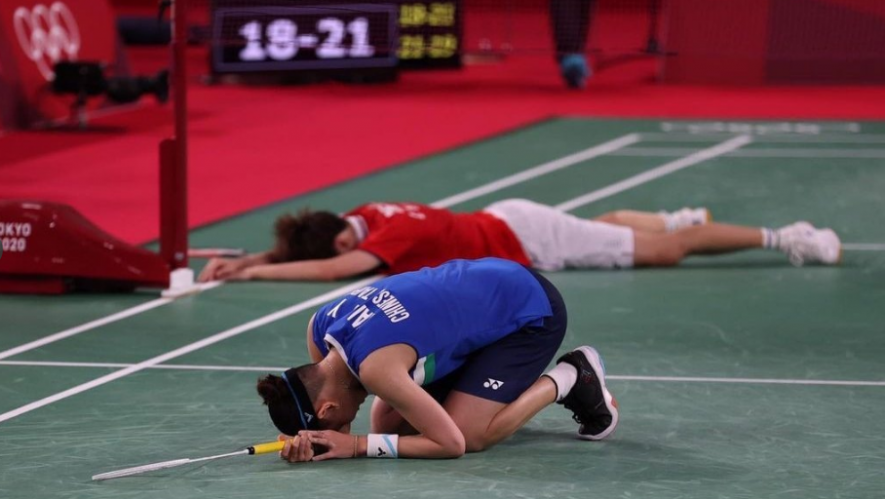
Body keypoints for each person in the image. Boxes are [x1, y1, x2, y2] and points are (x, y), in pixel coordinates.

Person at [256, 258, 618, 461]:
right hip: (487, 284)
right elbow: (346, 428)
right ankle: (476, 391)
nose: (343, 425)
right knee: (389, 427)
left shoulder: (377, 368)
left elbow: (451, 446)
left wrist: (353, 446)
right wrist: (314, 441)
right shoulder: (320, 329)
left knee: (469, 433)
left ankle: (572, 375)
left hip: (528, 311)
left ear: (328, 406)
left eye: (331, 423)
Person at [198, 199, 841, 283]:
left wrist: (256, 274)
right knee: (617, 224)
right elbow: (326, 250)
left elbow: (344, 270)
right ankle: (659, 217)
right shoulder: (364, 212)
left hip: (527, 239)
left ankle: (787, 233)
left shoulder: (390, 233)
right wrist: (250, 256)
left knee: (672, 253)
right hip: (510, 222)